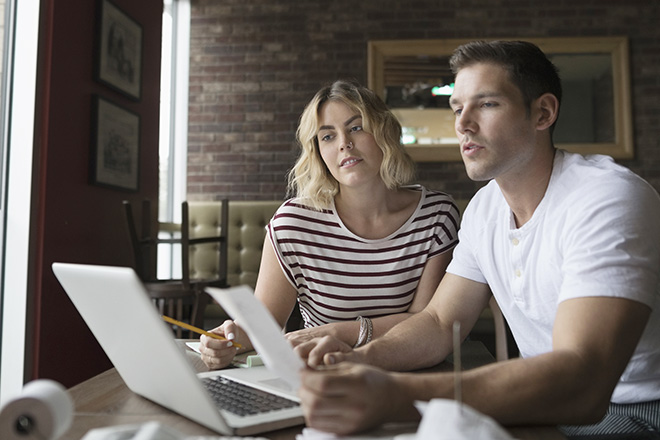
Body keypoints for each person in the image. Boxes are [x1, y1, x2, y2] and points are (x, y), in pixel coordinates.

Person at [295, 41, 660, 438]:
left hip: (635, 407)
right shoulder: (485, 208)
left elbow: (583, 382)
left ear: (543, 112)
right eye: (457, 108)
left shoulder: (606, 198)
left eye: (486, 105)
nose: (463, 124)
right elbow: (438, 322)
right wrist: (361, 360)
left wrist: (398, 395)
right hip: (548, 404)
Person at [198, 80, 460, 370]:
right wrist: (226, 338)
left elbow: (427, 323)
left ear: (383, 131)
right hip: (322, 375)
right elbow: (266, 324)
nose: (344, 143)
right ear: (318, 152)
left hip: (412, 373)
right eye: (327, 136)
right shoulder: (293, 224)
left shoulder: (436, 216)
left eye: (356, 128)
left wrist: (337, 331)